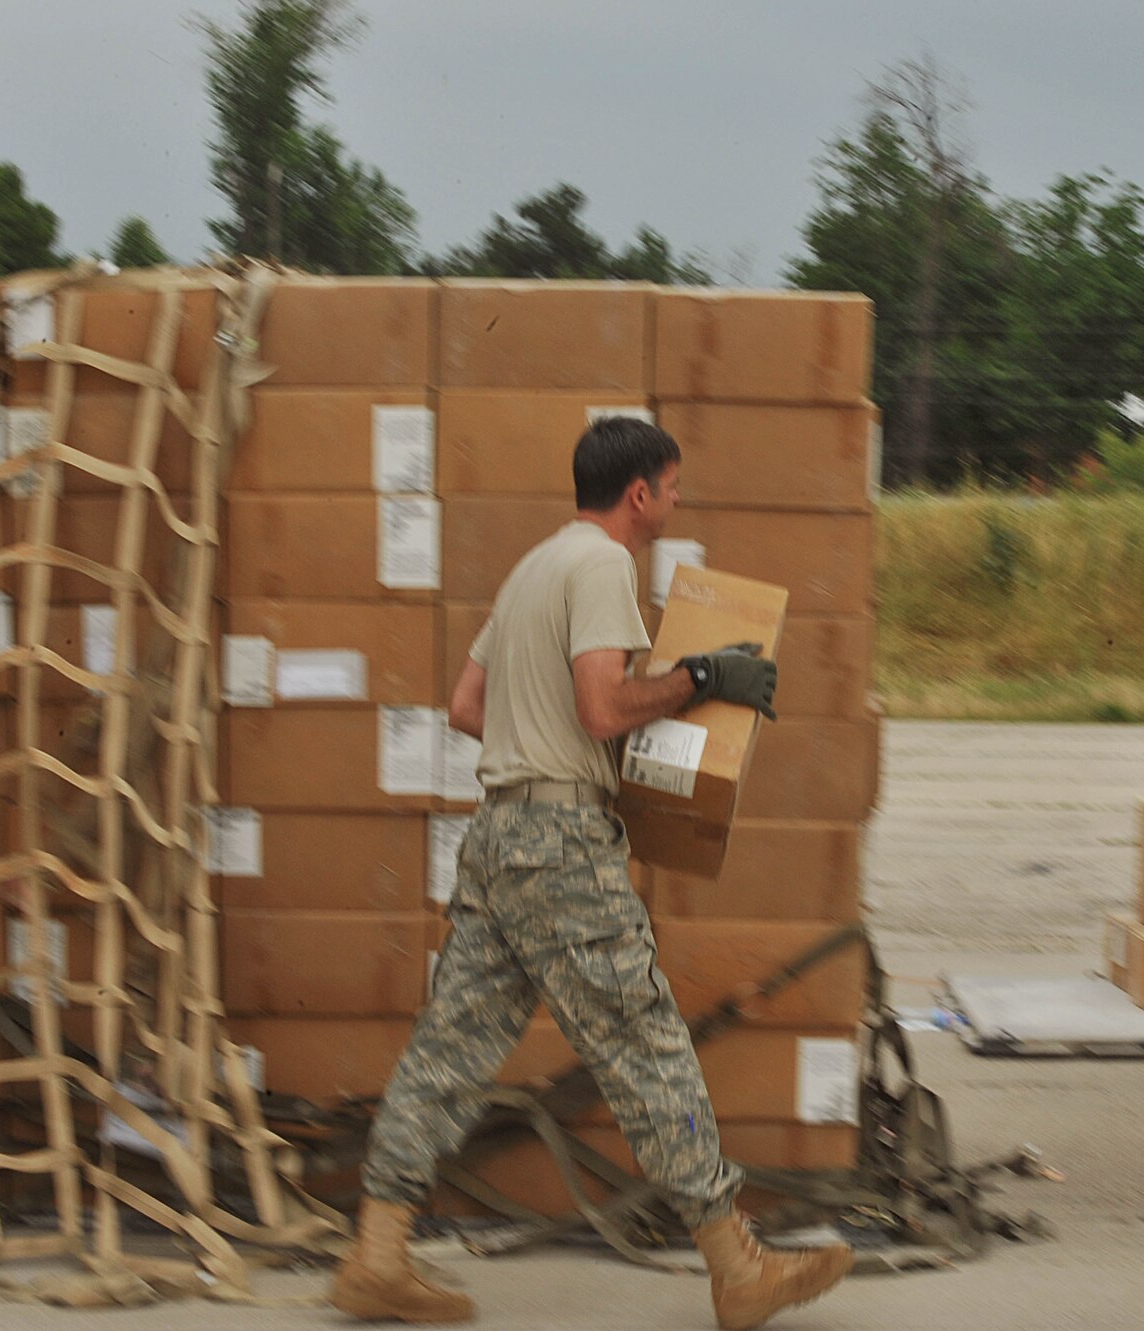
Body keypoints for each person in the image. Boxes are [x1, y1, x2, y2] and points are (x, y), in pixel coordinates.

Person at [330, 417, 851, 1329]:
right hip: (562, 847)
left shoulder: (534, 567)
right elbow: (605, 706)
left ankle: (376, 1251)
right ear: (639, 493)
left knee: (449, 1047)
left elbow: (466, 706)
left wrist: (543, 743)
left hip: (497, 837)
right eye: (673, 486)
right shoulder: (606, 565)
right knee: (646, 1043)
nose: (677, 501)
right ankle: (738, 1265)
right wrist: (701, 674)